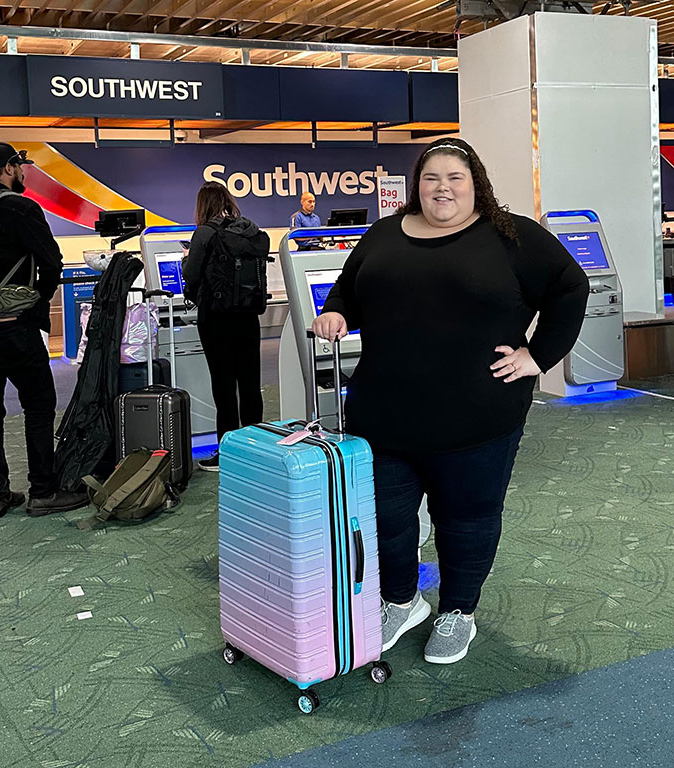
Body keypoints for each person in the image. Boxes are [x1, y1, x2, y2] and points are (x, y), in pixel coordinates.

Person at [312, 137, 589, 665]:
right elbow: (350, 290)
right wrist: (337, 314)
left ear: (475, 183)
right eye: (432, 178)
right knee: (387, 521)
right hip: (384, 415)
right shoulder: (383, 234)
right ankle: (401, 600)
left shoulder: (512, 238)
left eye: (455, 178)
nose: (443, 188)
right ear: (417, 184)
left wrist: (538, 355)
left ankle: (458, 610)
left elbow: (569, 288)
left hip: (477, 417)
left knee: (467, 519)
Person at [0, 142, 87, 519]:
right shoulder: (20, 208)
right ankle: (43, 491)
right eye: (19, 166)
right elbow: (51, 262)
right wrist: (37, 305)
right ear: (8, 169)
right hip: (16, 328)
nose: (23, 172)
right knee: (39, 405)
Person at [182, 181, 264, 472]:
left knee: (224, 386)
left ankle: (228, 451)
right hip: (248, 317)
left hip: (216, 319)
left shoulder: (204, 233)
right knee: (251, 384)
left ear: (202, 205)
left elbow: (191, 276)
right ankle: (257, 447)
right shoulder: (247, 229)